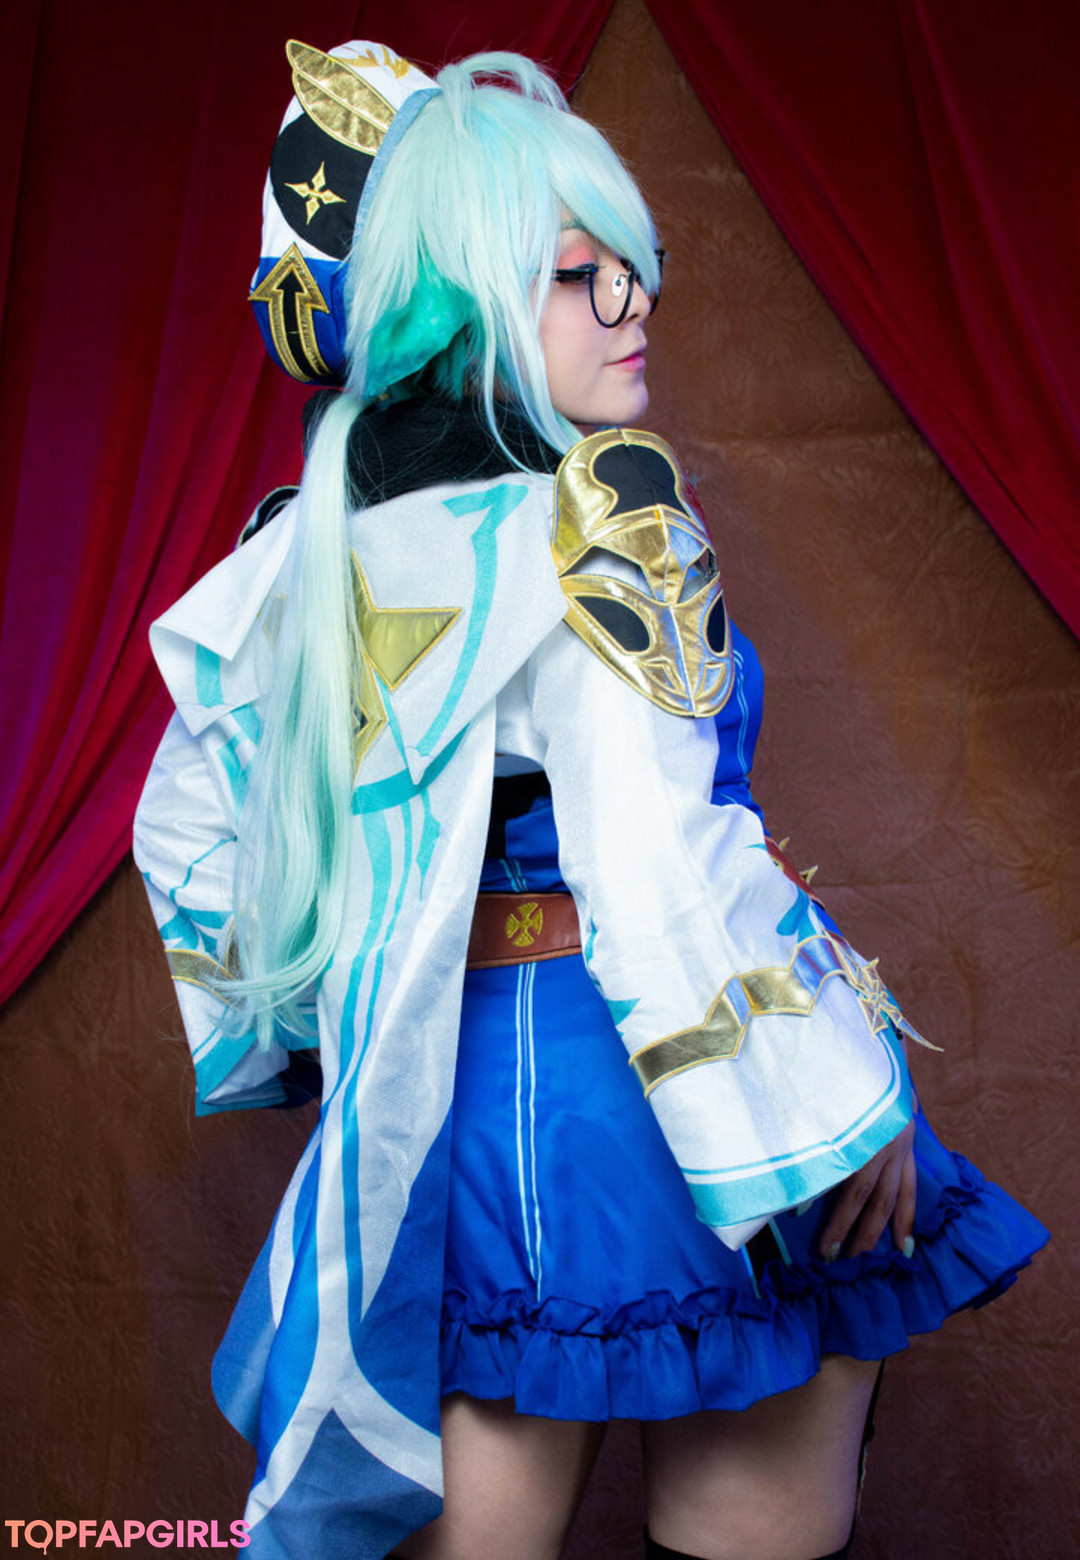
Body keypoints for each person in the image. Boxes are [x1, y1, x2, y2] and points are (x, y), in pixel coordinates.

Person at [133, 40, 1047, 1560]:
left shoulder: (297, 548)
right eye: (577, 274)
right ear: (462, 295)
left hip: (438, 1135)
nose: (632, 307)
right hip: (681, 1099)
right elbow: (656, 859)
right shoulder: (604, 516)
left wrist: (292, 1044)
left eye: (638, 267)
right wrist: (840, 1107)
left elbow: (191, 831)